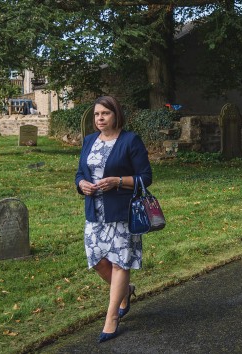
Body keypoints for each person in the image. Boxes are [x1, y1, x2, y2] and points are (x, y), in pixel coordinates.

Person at [75, 96, 152, 343]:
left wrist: (118, 181)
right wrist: (81, 184)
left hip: (122, 212)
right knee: (97, 260)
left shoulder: (130, 140)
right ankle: (125, 291)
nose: (100, 118)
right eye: (97, 114)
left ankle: (111, 318)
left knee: (121, 263)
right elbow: (79, 172)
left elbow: (146, 177)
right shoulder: (89, 141)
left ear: (115, 115)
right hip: (94, 212)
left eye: (105, 114)